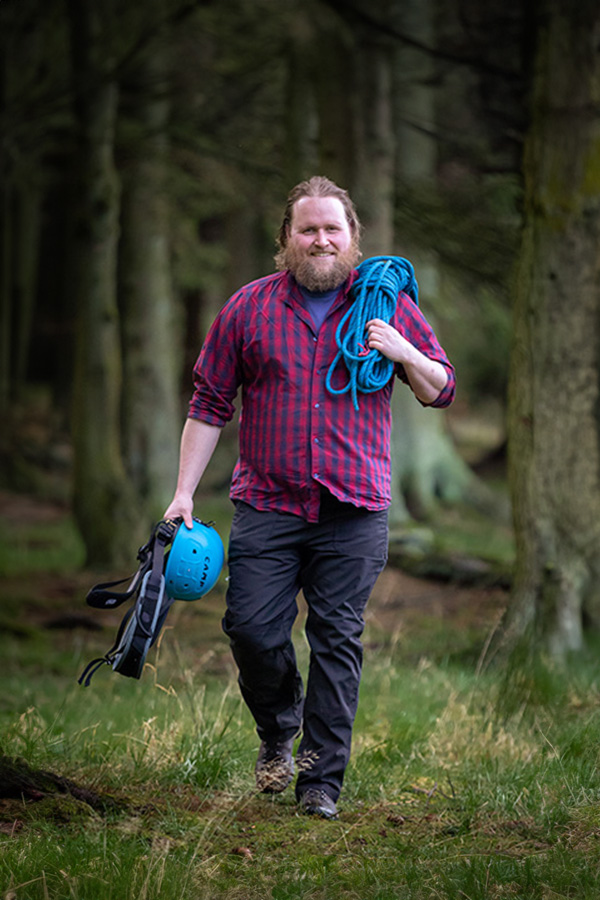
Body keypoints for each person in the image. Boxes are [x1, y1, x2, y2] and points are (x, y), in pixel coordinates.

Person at [164, 175, 455, 819]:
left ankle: (320, 781)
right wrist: (183, 494)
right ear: (286, 240)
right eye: (308, 229)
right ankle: (277, 729)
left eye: (333, 229)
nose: (321, 239)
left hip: (354, 510)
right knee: (250, 628)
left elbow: (440, 389)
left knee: (336, 639)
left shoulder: (385, 303)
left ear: (352, 237)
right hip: (267, 504)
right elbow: (209, 404)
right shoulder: (248, 308)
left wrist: (405, 350)